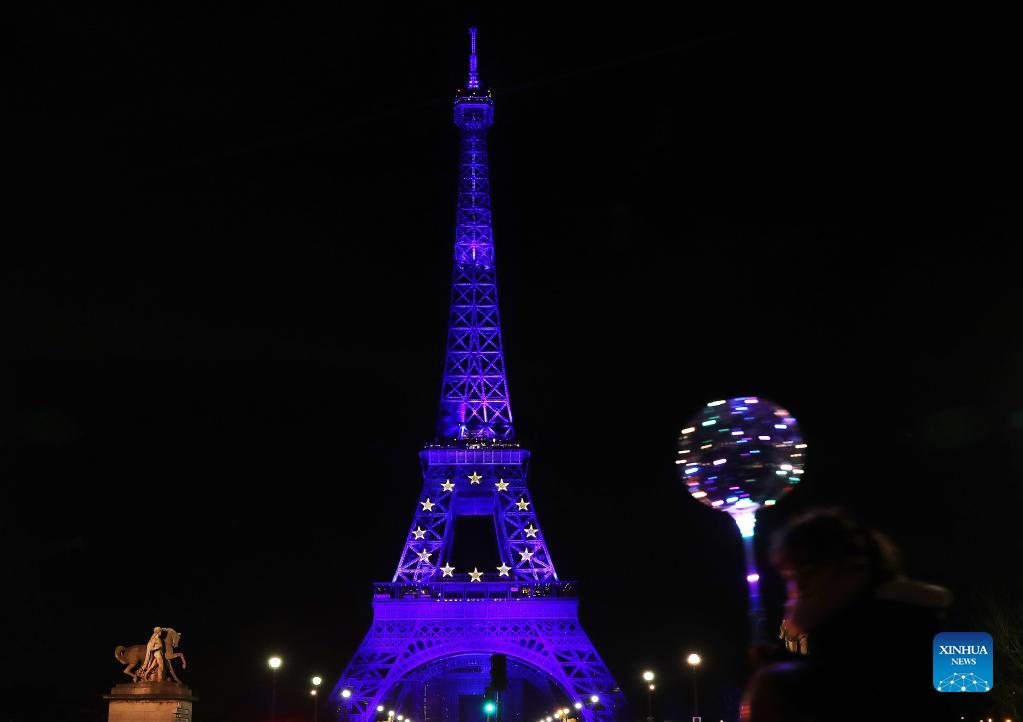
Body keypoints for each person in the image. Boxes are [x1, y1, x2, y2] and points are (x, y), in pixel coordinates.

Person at [740, 508, 952, 722]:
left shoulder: (784, 687)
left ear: (847, 569)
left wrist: (776, 680)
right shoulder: (918, 625)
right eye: (788, 577)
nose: (794, 590)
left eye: (801, 570)